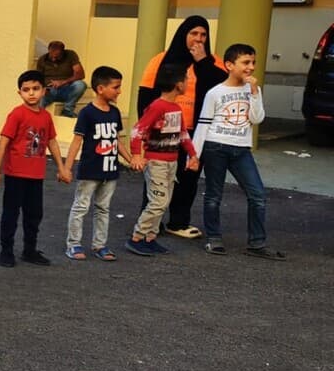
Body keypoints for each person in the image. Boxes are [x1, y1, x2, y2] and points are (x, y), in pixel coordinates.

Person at [138, 15, 227, 238]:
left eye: (203, 35)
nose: (198, 39)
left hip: (196, 132)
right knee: (159, 177)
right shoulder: (161, 59)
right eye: (193, 34)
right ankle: (150, 223)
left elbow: (221, 89)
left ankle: (178, 222)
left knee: (188, 178)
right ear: (183, 35)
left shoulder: (213, 62)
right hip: (163, 133)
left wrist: (203, 62)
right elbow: (145, 95)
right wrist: (147, 130)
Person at [194, 43, 283, 260]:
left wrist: (253, 93)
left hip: (241, 148)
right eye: (245, 62)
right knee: (214, 195)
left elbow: (257, 118)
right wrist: (194, 155)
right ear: (229, 65)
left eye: (253, 62)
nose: (251, 67)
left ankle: (257, 243)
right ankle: (214, 239)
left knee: (258, 195)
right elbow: (204, 124)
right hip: (216, 146)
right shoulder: (215, 92)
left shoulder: (254, 90)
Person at [0, 69, 71, 267]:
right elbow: (3, 142)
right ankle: (6, 250)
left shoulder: (45, 117)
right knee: (11, 213)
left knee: (34, 214)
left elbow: (52, 142)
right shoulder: (17, 114)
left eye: (36, 89)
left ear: (44, 91)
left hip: (36, 176)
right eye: (26, 90)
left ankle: (30, 250)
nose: (31, 93)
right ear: (20, 93)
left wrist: (61, 167)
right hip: (15, 174)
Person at [128, 65, 199, 256]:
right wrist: (136, 154)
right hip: (156, 162)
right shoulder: (157, 106)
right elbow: (138, 130)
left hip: (171, 162)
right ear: (178, 84)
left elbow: (182, 134)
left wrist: (192, 155)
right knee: (158, 201)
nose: (188, 83)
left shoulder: (175, 108)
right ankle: (137, 237)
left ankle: (150, 238)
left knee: (163, 201)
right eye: (186, 80)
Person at [63, 66, 130, 262]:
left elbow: (117, 140)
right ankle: (73, 244)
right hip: (90, 170)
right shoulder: (87, 113)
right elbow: (77, 141)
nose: (119, 91)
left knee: (103, 208)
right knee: (81, 207)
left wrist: (130, 158)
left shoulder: (115, 113)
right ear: (100, 89)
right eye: (115, 87)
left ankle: (100, 244)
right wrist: (67, 167)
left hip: (110, 170)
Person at [36, 40, 87, 117]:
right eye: (51, 55)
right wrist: (43, 88)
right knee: (40, 96)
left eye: (57, 56)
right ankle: (37, 118)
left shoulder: (70, 55)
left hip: (67, 89)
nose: (53, 59)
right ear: (49, 50)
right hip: (50, 90)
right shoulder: (42, 59)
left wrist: (63, 82)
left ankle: (68, 109)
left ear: (63, 52)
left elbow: (81, 75)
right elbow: (38, 78)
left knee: (81, 84)